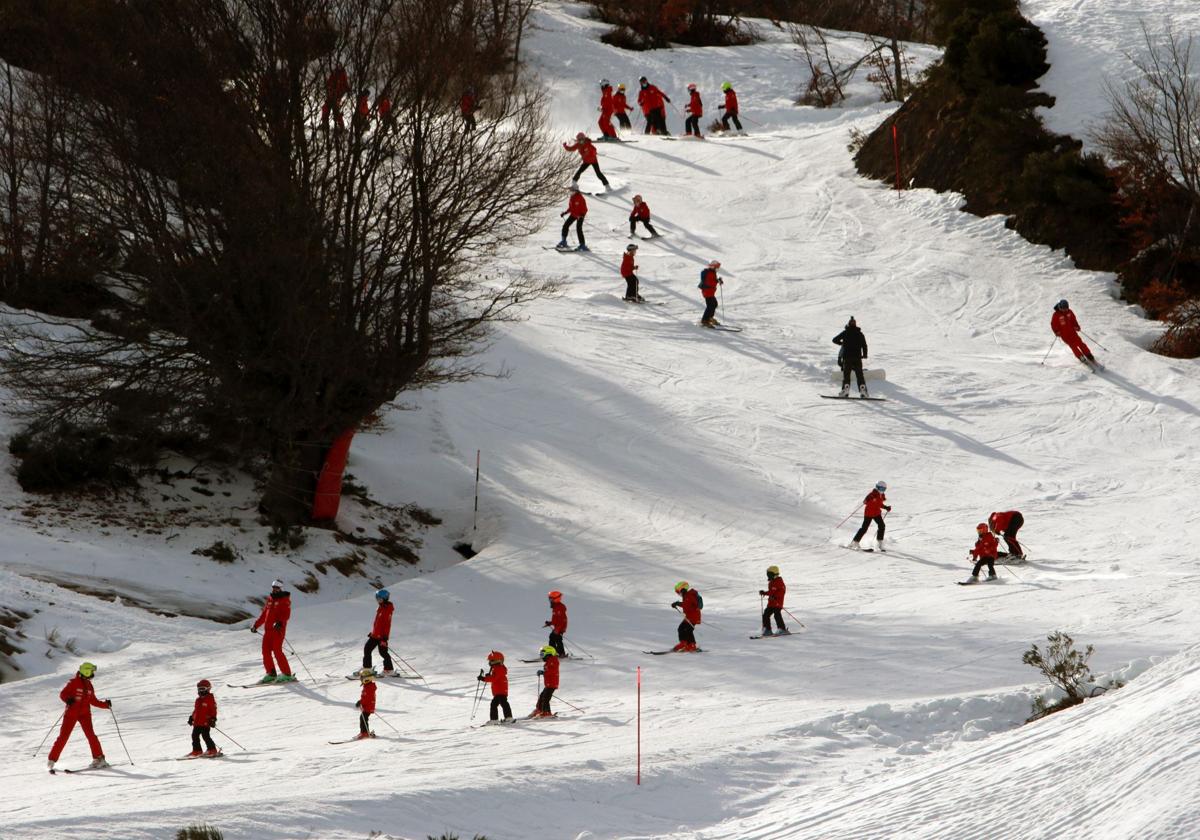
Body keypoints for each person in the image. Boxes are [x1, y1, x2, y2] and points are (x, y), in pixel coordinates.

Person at [47, 661, 112, 771]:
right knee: (63, 737)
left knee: (91, 736)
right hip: (71, 714)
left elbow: (93, 701)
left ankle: (99, 759)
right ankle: (52, 760)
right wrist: (68, 699)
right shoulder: (73, 683)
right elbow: (63, 694)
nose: (92, 674)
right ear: (86, 672)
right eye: (91, 671)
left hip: (85, 715)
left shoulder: (89, 685)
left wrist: (105, 705)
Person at [251, 579, 295, 683]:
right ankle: (271, 673)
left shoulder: (285, 600)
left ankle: (287, 674)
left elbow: (286, 614)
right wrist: (256, 625)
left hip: (278, 630)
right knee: (265, 651)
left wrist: (280, 622)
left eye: (277, 588)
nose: (275, 590)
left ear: (281, 589)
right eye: (273, 588)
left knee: (277, 651)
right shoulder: (270, 599)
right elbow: (264, 614)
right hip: (268, 631)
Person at [1051, 299, 1096, 365]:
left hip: (1073, 332)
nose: (1065, 310)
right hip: (1065, 335)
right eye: (1063, 309)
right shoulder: (1056, 315)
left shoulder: (1070, 312)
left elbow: (1074, 320)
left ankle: (1088, 354)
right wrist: (1056, 331)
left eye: (1066, 308)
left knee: (1080, 343)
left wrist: (1077, 326)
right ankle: (1080, 356)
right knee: (1073, 346)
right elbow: (1053, 324)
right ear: (1060, 307)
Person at [832, 317, 869, 397]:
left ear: (848, 324)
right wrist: (865, 355)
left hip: (847, 358)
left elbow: (834, 340)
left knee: (847, 375)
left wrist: (841, 343)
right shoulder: (860, 334)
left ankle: (845, 391)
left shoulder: (845, 332)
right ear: (855, 324)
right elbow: (864, 345)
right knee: (859, 375)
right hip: (857, 358)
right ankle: (863, 391)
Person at [850, 481, 891, 550]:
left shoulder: (881, 495)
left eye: (884, 489)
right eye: (881, 488)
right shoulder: (872, 494)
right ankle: (854, 542)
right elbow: (865, 502)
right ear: (877, 487)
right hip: (869, 513)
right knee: (864, 528)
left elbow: (879, 504)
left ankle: (879, 543)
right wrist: (868, 499)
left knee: (882, 526)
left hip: (876, 513)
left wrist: (886, 507)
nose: (882, 490)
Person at [363, 588, 395, 675]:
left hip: (381, 637)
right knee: (367, 649)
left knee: (383, 653)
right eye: (377, 598)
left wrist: (384, 638)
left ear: (385, 599)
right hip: (375, 635)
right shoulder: (381, 608)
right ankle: (367, 669)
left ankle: (389, 670)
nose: (378, 600)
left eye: (380, 599)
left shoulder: (387, 610)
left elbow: (386, 625)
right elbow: (378, 624)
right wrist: (373, 633)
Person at [187, 679, 220, 757]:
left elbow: (213, 710)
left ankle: (212, 750)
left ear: (208, 689)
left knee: (205, 736)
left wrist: (213, 719)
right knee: (194, 736)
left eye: (203, 689)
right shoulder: (198, 700)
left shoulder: (210, 699)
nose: (201, 691)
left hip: (206, 722)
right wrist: (192, 717)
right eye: (199, 689)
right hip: (197, 722)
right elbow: (196, 711)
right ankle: (197, 750)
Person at [478, 650, 513, 723]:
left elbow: (494, 678)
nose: (489, 663)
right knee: (497, 704)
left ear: (496, 661)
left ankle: (505, 718)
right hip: (499, 691)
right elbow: (494, 677)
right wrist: (488, 676)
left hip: (500, 691)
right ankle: (498, 719)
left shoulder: (499, 668)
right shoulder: (497, 668)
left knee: (501, 703)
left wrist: (484, 678)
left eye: (491, 661)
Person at [671, 581, 702, 651]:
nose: (679, 594)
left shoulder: (689, 595)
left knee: (686, 630)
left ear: (682, 590)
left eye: (679, 592)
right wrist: (677, 603)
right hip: (690, 616)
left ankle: (687, 644)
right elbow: (687, 604)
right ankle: (688, 644)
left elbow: (686, 605)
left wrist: (677, 603)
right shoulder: (687, 596)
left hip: (693, 617)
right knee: (685, 629)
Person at [759, 565, 789, 636]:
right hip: (771, 603)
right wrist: (764, 593)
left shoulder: (779, 581)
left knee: (777, 614)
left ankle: (782, 629)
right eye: (768, 574)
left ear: (774, 574)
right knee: (766, 614)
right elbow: (771, 592)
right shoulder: (772, 582)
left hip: (777, 603)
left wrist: (775, 597)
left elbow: (782, 592)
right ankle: (767, 630)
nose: (768, 576)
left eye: (769, 574)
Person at [557, 184, 589, 252]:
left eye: (571, 190)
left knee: (578, 229)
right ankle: (564, 241)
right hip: (574, 215)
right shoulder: (572, 197)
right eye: (570, 190)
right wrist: (565, 213)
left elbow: (585, 209)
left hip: (580, 216)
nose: (570, 191)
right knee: (565, 226)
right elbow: (571, 208)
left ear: (576, 191)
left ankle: (582, 245)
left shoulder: (580, 198)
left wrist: (582, 215)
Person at [533, 645, 559, 717]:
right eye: (540, 655)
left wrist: (543, 672)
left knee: (545, 698)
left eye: (542, 654)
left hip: (552, 684)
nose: (541, 657)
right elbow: (548, 671)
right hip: (548, 684)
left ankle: (546, 712)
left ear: (549, 654)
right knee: (542, 696)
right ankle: (539, 709)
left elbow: (552, 671)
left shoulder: (553, 660)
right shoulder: (549, 661)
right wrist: (544, 672)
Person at [321, 64, 349, 130]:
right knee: (326, 108)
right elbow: (329, 82)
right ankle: (325, 124)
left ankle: (341, 126)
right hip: (331, 95)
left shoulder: (342, 74)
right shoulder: (335, 73)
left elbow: (345, 84)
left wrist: (346, 90)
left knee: (335, 111)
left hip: (336, 96)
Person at [543, 590, 569, 657]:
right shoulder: (556, 606)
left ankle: (560, 653)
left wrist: (557, 629)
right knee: (554, 637)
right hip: (558, 627)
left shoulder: (559, 607)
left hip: (560, 627)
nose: (550, 600)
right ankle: (555, 652)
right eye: (549, 598)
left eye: (551, 598)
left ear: (556, 599)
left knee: (556, 638)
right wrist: (550, 623)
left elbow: (562, 620)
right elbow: (556, 619)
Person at [698, 260, 723, 326]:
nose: (717, 269)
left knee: (714, 304)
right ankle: (704, 320)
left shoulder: (712, 272)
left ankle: (710, 318)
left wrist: (718, 280)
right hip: (707, 292)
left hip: (710, 292)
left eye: (718, 268)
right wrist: (717, 281)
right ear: (712, 267)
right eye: (716, 268)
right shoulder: (708, 273)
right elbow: (709, 283)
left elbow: (712, 280)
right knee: (710, 306)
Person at [354, 668, 377, 739]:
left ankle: (364, 733)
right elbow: (365, 697)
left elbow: (367, 698)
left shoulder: (369, 687)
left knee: (363, 718)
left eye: (362, 677)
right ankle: (364, 732)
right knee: (363, 718)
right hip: (367, 705)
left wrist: (361, 702)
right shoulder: (368, 686)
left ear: (367, 679)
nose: (360, 679)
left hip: (368, 706)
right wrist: (360, 701)